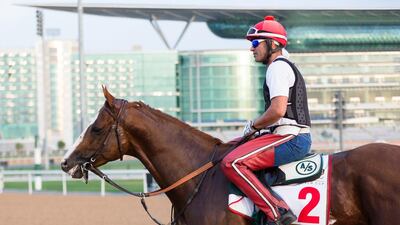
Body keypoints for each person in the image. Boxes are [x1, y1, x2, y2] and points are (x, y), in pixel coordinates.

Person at [221, 15, 312, 225]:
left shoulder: (277, 67)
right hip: (286, 135)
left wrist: (252, 125)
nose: (251, 49)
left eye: (255, 43)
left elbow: (278, 110)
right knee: (229, 148)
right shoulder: (283, 65)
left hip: (291, 138)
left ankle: (278, 212)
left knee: (231, 163)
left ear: (273, 44)